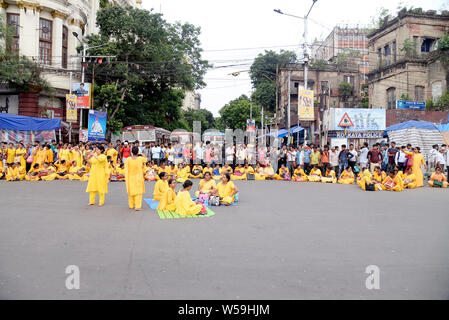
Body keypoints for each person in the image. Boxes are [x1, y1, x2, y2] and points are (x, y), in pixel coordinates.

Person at [125, 146, 146, 211]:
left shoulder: (128, 159)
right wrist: (142, 154)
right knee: (138, 192)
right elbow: (146, 159)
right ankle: (137, 206)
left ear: (131, 152)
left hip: (130, 177)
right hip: (138, 177)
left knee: (131, 191)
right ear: (138, 152)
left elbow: (126, 168)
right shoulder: (140, 159)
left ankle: (131, 205)